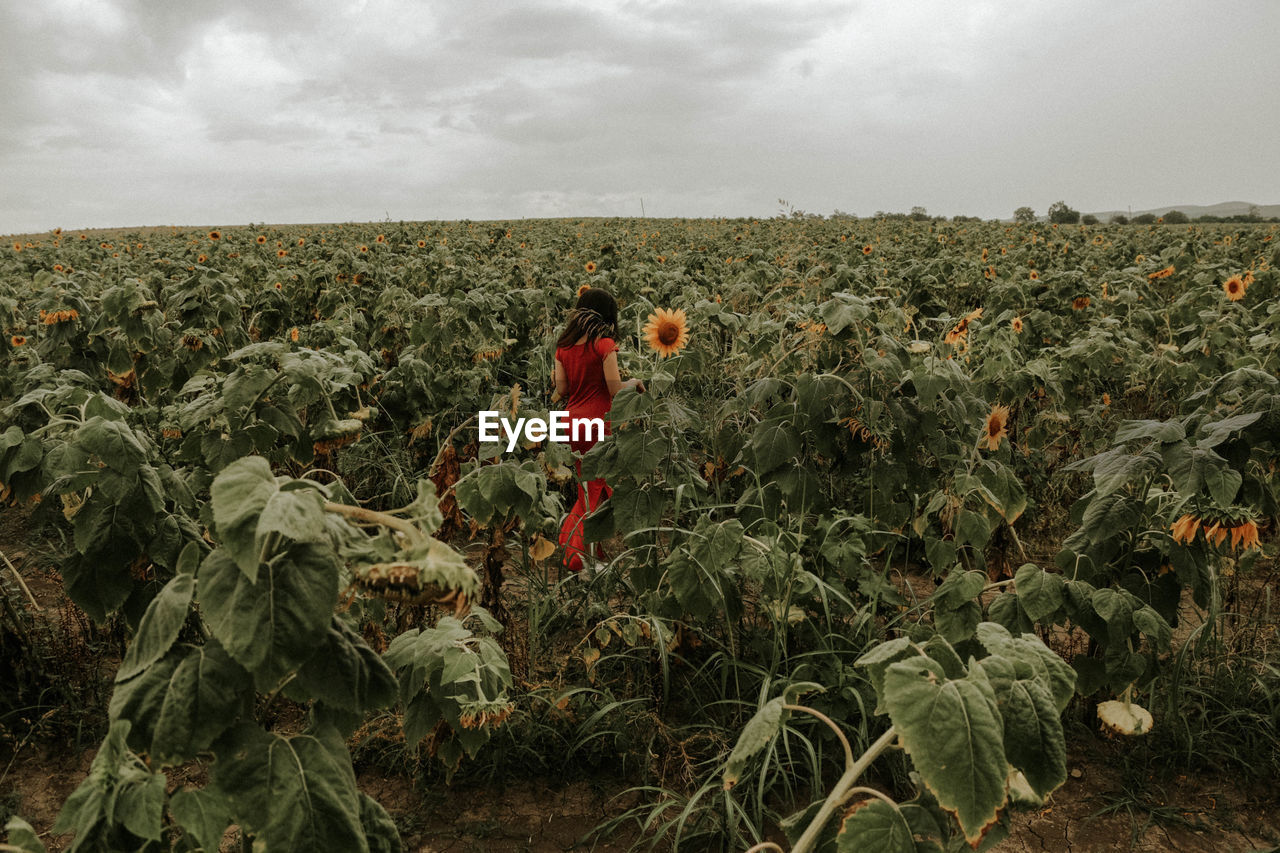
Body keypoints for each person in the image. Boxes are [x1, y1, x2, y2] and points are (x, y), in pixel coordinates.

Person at [553, 287, 644, 573]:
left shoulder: (563, 347)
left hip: (571, 424)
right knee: (594, 493)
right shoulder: (605, 345)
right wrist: (636, 382)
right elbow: (616, 391)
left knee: (590, 487)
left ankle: (594, 551)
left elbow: (562, 389)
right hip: (598, 424)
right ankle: (576, 557)